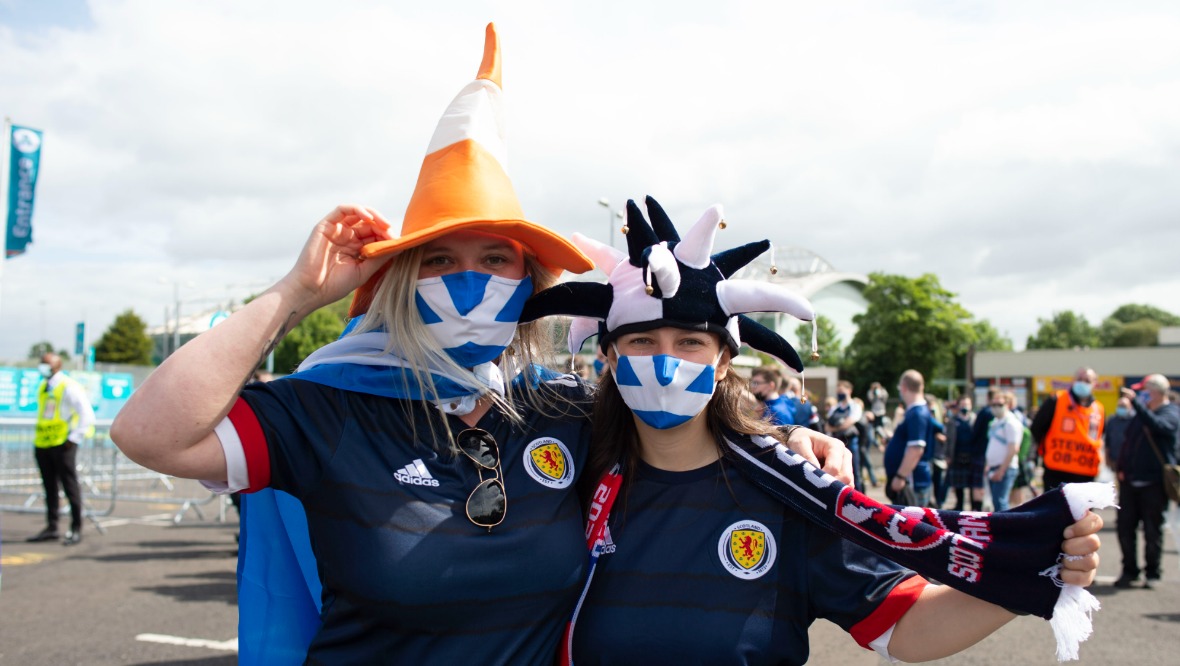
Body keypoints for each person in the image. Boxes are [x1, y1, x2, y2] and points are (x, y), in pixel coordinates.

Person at [109, 28, 850, 664]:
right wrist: (294, 294)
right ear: (400, 282)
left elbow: (677, 427)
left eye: (495, 259)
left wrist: (790, 439)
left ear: (530, 282)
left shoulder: (561, 410)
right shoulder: (324, 411)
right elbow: (150, 435)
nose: (470, 283)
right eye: (438, 260)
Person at [520, 199, 1104, 664]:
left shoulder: (792, 491)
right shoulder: (576, 464)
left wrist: (1033, 569)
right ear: (611, 355)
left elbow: (904, 626)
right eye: (642, 341)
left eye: (690, 342)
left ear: (725, 360)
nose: (665, 362)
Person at [1114, 374, 1179, 589]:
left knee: (1153, 530)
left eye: (1144, 391)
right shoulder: (1140, 415)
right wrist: (1121, 469)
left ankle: (1153, 572)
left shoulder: (1171, 413)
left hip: (1154, 484)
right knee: (1125, 528)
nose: (1140, 396)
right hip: (1130, 483)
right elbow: (1127, 443)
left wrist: (1138, 406)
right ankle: (1129, 571)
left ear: (1155, 392)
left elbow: (1161, 427)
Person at [27, 352, 95, 546]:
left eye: (45, 364)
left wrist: (73, 439)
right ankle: (52, 526)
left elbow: (87, 415)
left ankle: (75, 528)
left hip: (62, 444)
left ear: (56, 366)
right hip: (43, 443)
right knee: (49, 488)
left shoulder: (68, 386)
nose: (42, 367)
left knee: (70, 486)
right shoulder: (44, 387)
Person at [1031, 367, 1106, 490]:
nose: (1083, 383)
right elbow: (1037, 428)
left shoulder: (1099, 409)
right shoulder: (1057, 400)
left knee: (1082, 510)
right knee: (1054, 509)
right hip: (1056, 470)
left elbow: (1101, 435)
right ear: (1073, 380)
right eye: (1080, 379)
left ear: (1095, 384)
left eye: (1087, 381)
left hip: (1086, 474)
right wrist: (1046, 449)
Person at [884, 370, 935, 506]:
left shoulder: (917, 413)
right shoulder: (915, 411)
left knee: (913, 524)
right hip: (910, 479)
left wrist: (901, 476)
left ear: (904, 387)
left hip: (912, 481)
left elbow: (916, 449)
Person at [985, 391, 1022, 512]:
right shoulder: (996, 422)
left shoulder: (1011, 423)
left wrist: (1001, 470)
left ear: (1007, 405)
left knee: (1000, 502)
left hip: (1005, 468)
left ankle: (1004, 529)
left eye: (999, 405)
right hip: (994, 467)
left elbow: (1013, 449)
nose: (996, 408)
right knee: (997, 502)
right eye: (993, 404)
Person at [825, 380, 864, 491]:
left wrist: (835, 427)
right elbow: (827, 426)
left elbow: (849, 422)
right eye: (838, 391)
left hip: (851, 443)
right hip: (838, 444)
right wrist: (837, 427)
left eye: (842, 391)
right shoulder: (835, 408)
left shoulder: (855, 407)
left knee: (855, 472)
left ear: (849, 391)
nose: (840, 393)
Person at [946, 396, 980, 511]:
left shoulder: (975, 420)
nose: (965, 407)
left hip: (972, 457)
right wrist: (948, 456)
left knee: (972, 485)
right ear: (959, 405)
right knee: (958, 486)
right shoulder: (953, 421)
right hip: (957, 456)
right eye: (963, 404)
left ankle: (972, 509)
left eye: (967, 404)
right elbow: (948, 439)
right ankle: (959, 507)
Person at [1104, 395, 1135, 476]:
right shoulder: (1112, 420)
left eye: (1124, 406)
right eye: (1119, 406)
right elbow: (1107, 441)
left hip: (1130, 461)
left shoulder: (1134, 421)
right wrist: (1107, 458)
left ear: (1130, 407)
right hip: (1114, 459)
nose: (1121, 408)